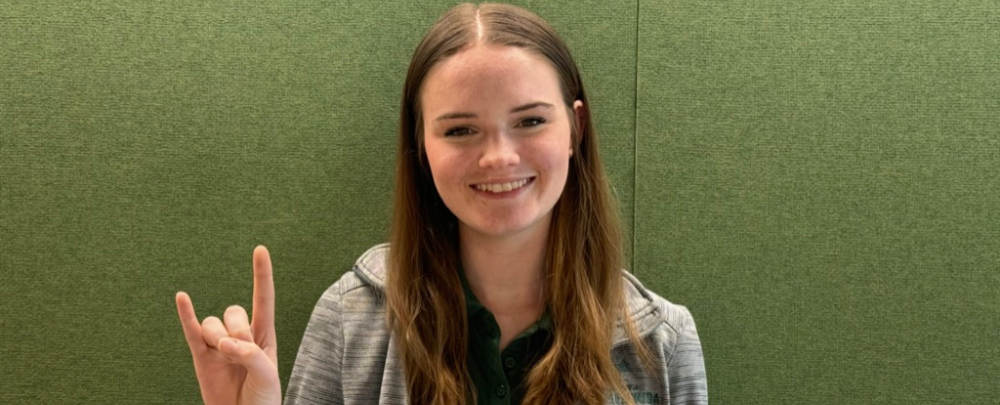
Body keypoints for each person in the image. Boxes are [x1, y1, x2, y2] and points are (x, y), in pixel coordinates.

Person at [175, 3, 707, 405]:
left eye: (530, 121)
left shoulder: (661, 343)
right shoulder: (350, 319)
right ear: (421, 147)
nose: (498, 156)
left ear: (576, 127)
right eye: (459, 130)